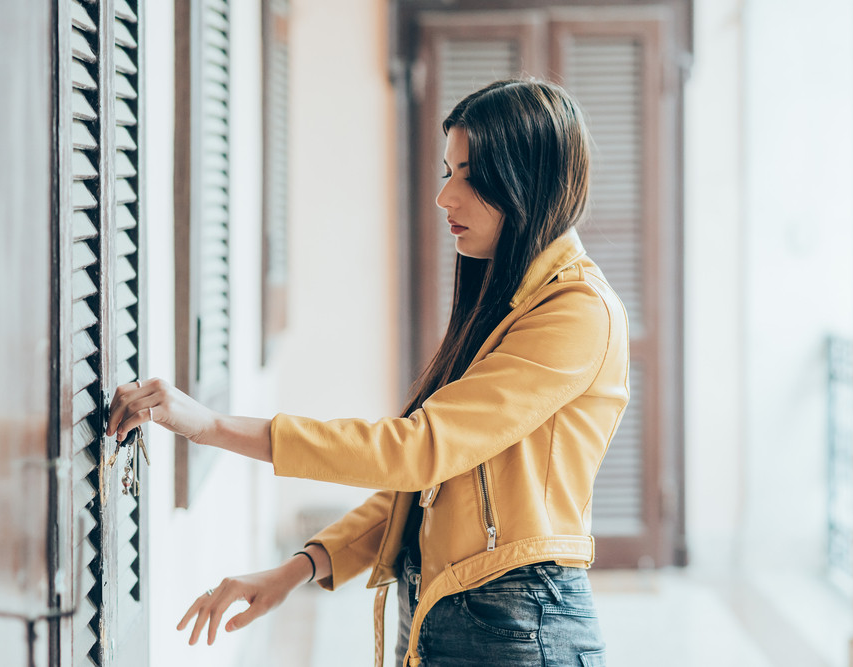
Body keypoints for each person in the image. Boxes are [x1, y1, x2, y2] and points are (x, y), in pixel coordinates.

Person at [107, 78, 629, 666]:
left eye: (470, 176)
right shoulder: (509, 301)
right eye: (446, 171)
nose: (445, 198)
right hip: (460, 613)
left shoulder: (578, 311)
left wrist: (210, 427)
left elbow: (416, 452)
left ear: (530, 181)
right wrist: (299, 568)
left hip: (519, 626)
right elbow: (430, 488)